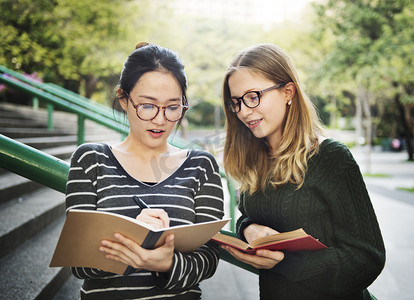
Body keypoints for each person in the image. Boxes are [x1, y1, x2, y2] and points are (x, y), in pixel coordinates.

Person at [220, 43, 385, 300]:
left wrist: (285, 262)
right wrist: (247, 228)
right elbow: (255, 217)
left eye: (253, 97)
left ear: (288, 92)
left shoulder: (331, 158)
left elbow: (367, 258)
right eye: (236, 102)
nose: (243, 111)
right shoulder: (257, 160)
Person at [65, 42, 224, 299]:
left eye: (173, 107)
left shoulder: (201, 166)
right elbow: (78, 264)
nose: (160, 120)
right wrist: (134, 237)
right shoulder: (90, 160)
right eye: (148, 106)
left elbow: (208, 259)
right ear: (124, 99)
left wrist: (167, 264)